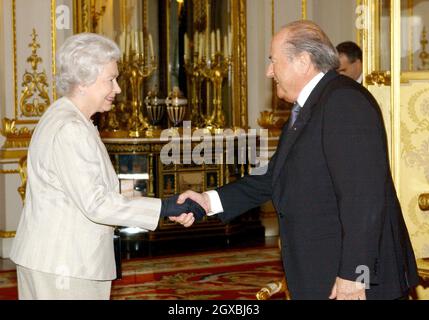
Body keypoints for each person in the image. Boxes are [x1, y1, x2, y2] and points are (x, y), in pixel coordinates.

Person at [179, 20, 419, 300]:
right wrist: (208, 201)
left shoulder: (343, 102)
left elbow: (363, 198)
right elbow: (274, 176)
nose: (269, 72)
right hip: (323, 272)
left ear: (303, 61)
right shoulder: (312, 105)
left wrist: (355, 275)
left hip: (354, 281)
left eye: (273, 61)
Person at [10, 33, 205, 300]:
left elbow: (90, 186)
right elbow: (96, 203)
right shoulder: (70, 128)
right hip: (65, 265)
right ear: (83, 81)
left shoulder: (64, 116)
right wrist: (163, 207)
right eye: (110, 79)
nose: (118, 89)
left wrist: (159, 203)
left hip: (57, 260)